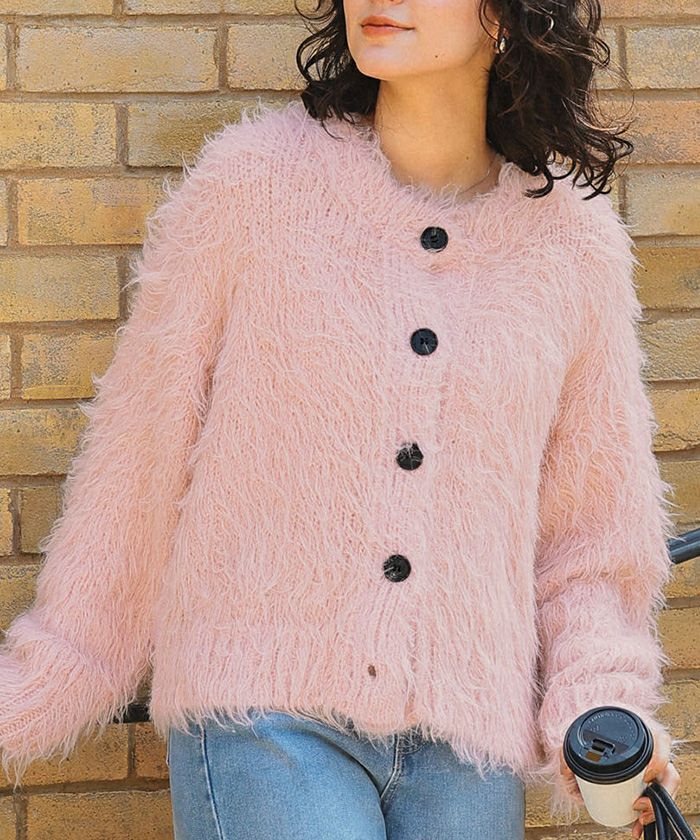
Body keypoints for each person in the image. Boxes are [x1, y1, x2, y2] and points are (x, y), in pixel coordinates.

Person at [0, 1, 683, 838]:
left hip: (468, 740)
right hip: (264, 712)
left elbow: (591, 540)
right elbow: (141, 454)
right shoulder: (253, 186)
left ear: (506, 16)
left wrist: (599, 709)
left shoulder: (574, 248)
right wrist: (55, 670)